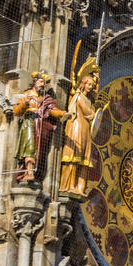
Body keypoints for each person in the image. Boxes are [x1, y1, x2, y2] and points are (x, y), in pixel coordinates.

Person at [59, 56, 100, 200]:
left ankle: (80, 187)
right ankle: (69, 185)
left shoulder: (88, 98)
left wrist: (97, 76)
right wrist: (93, 113)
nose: (90, 86)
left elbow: (93, 106)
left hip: (85, 129)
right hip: (77, 127)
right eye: (88, 84)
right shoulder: (79, 96)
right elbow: (89, 112)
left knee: (84, 160)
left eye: (91, 84)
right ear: (82, 84)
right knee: (74, 156)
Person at [14, 71, 66, 183]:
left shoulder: (46, 99)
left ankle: (32, 173)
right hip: (29, 123)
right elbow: (17, 112)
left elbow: (53, 110)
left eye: (45, 83)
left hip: (41, 127)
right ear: (34, 82)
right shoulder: (26, 95)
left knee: (38, 151)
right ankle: (29, 173)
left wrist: (62, 113)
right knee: (30, 148)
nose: (42, 85)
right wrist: (24, 102)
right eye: (41, 81)